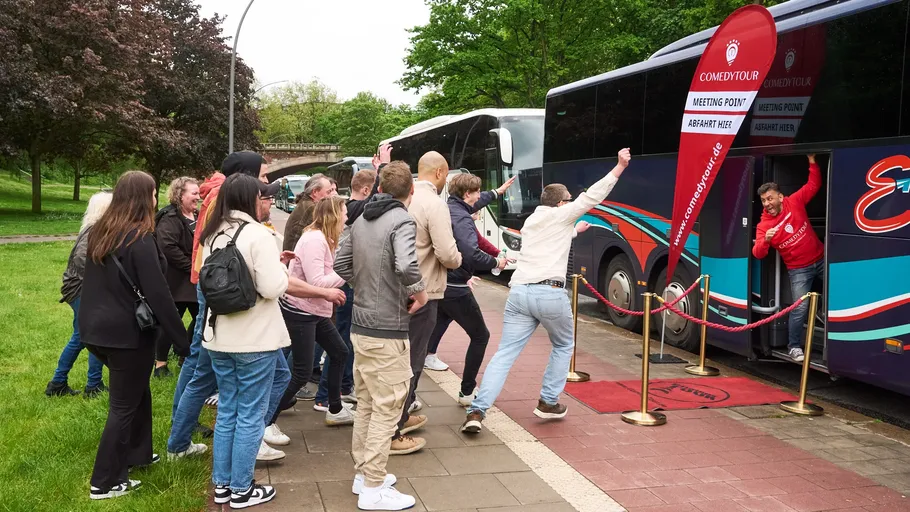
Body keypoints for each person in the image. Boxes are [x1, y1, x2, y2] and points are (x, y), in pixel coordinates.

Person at [462, 148, 631, 434]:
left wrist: (575, 231)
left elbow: (550, 237)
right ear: (561, 204)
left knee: (505, 353)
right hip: (549, 293)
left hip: (519, 293)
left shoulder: (532, 221)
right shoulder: (562, 214)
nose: (571, 204)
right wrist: (619, 167)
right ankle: (548, 401)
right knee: (563, 345)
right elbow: (592, 196)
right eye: (568, 201)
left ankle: (476, 411)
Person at [80, 171, 190, 500]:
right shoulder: (139, 238)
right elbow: (159, 295)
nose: (156, 199)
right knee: (123, 406)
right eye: (154, 193)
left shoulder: (100, 231)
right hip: (126, 335)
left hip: (95, 331)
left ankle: (138, 453)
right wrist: (182, 341)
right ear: (145, 198)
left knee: (138, 391)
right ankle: (104, 482)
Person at [334, 160, 427, 511]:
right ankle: (373, 486)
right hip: (388, 327)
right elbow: (406, 264)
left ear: (381, 188)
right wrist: (419, 293)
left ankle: (364, 475)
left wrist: (367, 286)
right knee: (388, 406)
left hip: (360, 326)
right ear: (410, 191)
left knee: (367, 403)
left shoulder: (360, 219)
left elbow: (340, 264)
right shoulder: (402, 220)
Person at [197, 173, 290, 509]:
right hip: (255, 339)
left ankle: (222, 485)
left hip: (220, 337)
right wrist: (283, 270)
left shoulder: (212, 234)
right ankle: (242, 489)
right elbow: (272, 287)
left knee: (228, 412)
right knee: (251, 415)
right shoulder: (257, 234)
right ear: (250, 199)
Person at [389, 151, 463, 455]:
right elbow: (447, 253)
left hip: (394, 290)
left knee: (397, 357)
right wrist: (458, 260)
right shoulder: (434, 204)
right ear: (441, 172)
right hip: (424, 291)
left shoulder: (401, 199)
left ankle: (401, 415)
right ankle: (395, 427)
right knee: (413, 360)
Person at [425, 174, 510, 404]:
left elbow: (478, 208)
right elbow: (471, 253)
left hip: (441, 282)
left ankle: (425, 358)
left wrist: (496, 193)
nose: (479, 196)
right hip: (456, 286)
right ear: (467, 194)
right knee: (481, 335)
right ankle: (467, 391)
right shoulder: (463, 218)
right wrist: (496, 262)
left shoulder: (449, 208)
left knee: (442, 318)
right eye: (477, 192)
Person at [275, 196, 353, 427]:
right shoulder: (315, 240)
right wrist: (347, 271)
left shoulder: (324, 239)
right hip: (301, 311)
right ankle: (266, 421)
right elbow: (317, 281)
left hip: (312, 311)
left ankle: (335, 409)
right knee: (302, 372)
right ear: (334, 216)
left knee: (339, 352)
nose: (347, 218)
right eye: (344, 213)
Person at [312, 168, 378, 411]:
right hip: (345, 286)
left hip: (346, 285)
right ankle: (325, 396)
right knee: (340, 344)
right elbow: (374, 201)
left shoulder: (350, 209)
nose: (345, 215)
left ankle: (342, 388)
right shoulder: (354, 208)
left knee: (344, 343)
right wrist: (382, 169)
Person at [752, 154, 824, 362]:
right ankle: (794, 347)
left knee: (838, 294)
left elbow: (813, 185)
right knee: (799, 308)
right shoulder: (764, 225)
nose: (767, 204)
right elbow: (758, 253)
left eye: (770, 198)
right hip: (798, 270)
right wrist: (765, 240)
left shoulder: (795, 201)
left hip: (821, 259)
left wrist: (812, 162)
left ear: (781, 197)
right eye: (764, 201)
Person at [45, 191, 112, 398]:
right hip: (79, 290)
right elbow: (83, 260)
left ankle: (84, 383)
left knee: (88, 336)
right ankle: (69, 383)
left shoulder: (97, 230)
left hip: (83, 290)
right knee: (86, 336)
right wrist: (102, 278)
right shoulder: (94, 231)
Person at [153, 176, 200, 378]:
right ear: (180, 195)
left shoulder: (197, 215)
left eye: (199, 193)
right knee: (171, 322)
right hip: (176, 281)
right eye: (194, 193)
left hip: (193, 281)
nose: (198, 197)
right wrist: (191, 267)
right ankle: (160, 364)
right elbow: (167, 247)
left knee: (201, 318)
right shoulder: (170, 218)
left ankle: (185, 355)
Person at [282, 173, 334, 252]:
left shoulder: (305, 204)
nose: (331, 196)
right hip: (297, 256)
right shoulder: (312, 208)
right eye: (328, 192)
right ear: (315, 192)